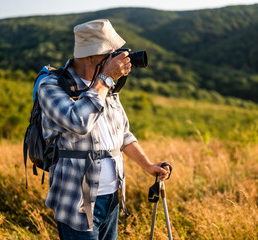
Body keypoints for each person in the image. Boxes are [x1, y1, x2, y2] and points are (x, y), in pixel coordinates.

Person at [37, 19, 170, 239]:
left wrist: (147, 165)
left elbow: (123, 134)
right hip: (77, 202)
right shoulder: (51, 86)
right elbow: (78, 122)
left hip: (112, 198)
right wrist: (105, 78)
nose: (117, 59)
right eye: (110, 55)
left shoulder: (107, 87)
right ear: (89, 56)